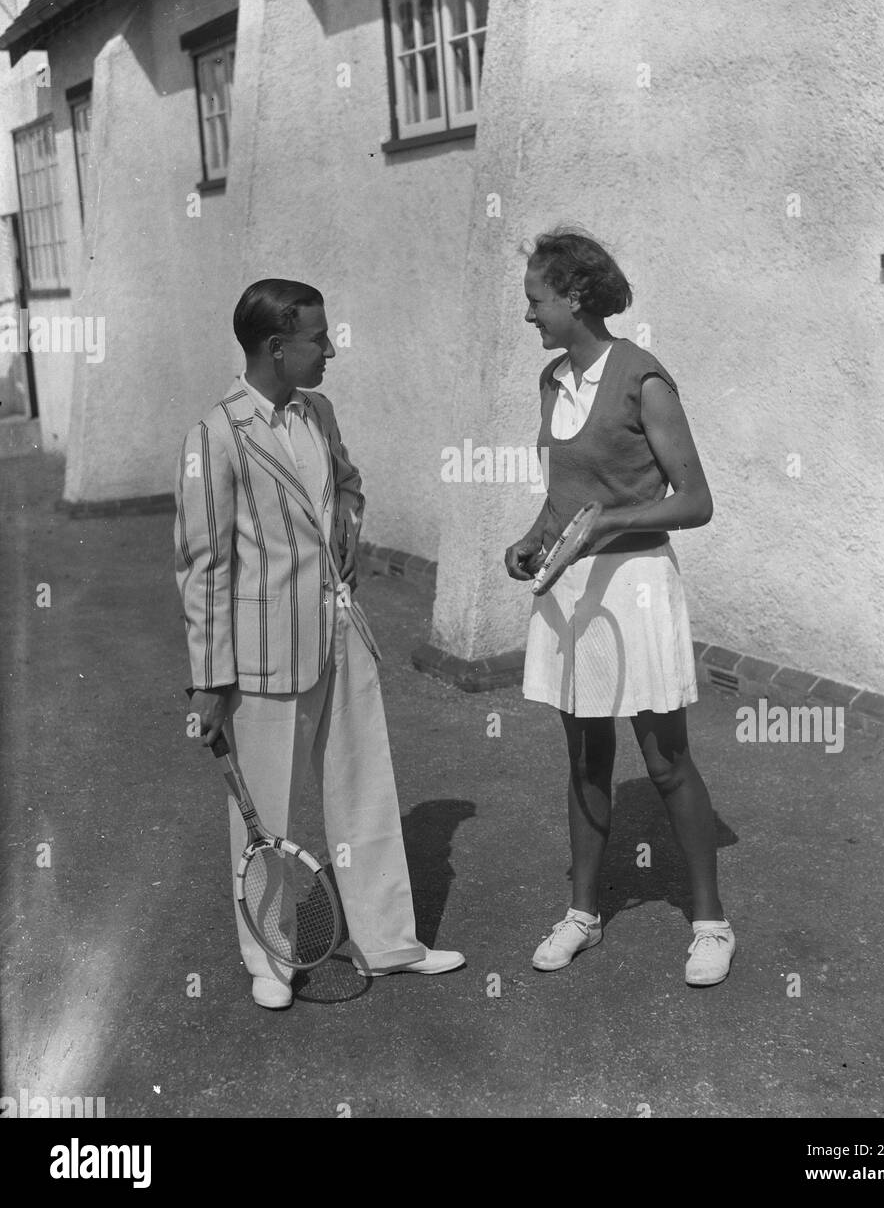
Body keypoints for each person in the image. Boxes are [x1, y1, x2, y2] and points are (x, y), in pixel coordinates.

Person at [175, 278, 464, 1008]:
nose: (331, 348)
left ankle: (388, 942)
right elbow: (203, 566)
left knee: (367, 787)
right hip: (263, 653)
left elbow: (349, 485)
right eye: (318, 338)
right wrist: (211, 679)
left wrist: (347, 543)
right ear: (277, 347)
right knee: (264, 814)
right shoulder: (216, 433)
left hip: (342, 635)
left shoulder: (320, 411)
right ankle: (269, 961)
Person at [504, 228, 734, 986]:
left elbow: (695, 501)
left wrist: (612, 523)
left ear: (574, 297)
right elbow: (565, 494)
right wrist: (533, 540)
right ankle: (581, 914)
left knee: (665, 760)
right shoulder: (550, 380)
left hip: (634, 588)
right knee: (584, 756)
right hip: (573, 593)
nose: (529, 314)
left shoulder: (643, 377)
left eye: (537, 300)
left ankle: (709, 922)